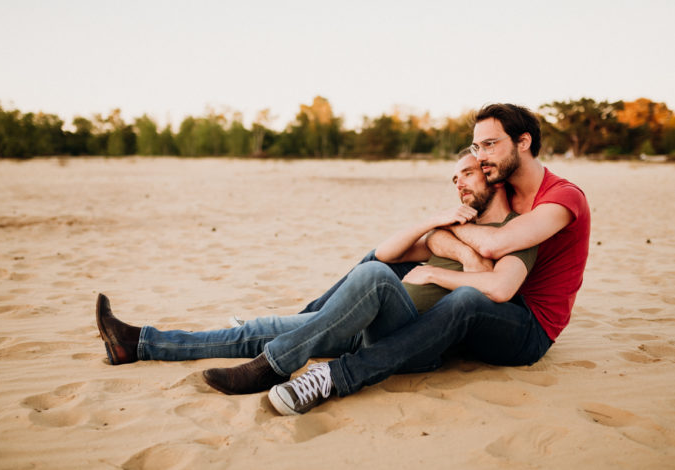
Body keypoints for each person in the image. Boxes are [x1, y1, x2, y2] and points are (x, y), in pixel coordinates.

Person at [95, 152, 536, 400]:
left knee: (377, 277)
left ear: (492, 174)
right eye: (453, 178)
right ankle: (138, 343)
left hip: (412, 344)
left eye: (467, 174)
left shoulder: (516, 233)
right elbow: (385, 249)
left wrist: (441, 276)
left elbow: (499, 288)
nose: (458, 184)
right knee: (259, 328)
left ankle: (274, 366)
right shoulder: (456, 224)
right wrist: (439, 225)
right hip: (365, 324)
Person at [252, 103, 590, 415]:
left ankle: (335, 377)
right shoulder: (504, 189)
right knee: (381, 262)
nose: (481, 156)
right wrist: (445, 228)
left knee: (465, 298)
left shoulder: (561, 198)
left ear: (524, 142)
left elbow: (493, 247)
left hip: (528, 326)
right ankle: (306, 322)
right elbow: (442, 236)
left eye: (489, 145)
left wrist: (437, 267)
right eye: (477, 147)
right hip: (494, 300)